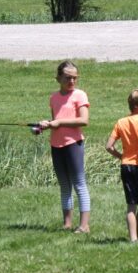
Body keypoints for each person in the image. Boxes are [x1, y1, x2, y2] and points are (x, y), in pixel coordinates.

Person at [39, 60, 91, 234]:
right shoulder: (53, 98)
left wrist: (59, 122)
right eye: (68, 78)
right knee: (64, 184)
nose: (72, 82)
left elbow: (84, 120)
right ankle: (67, 223)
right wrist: (44, 126)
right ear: (58, 78)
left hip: (73, 144)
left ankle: (84, 225)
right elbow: (55, 120)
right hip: (56, 144)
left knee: (79, 183)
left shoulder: (80, 95)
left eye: (75, 78)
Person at [105, 89, 138, 242]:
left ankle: (133, 238)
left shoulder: (121, 122)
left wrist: (122, 156)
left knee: (131, 205)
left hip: (126, 166)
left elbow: (109, 146)